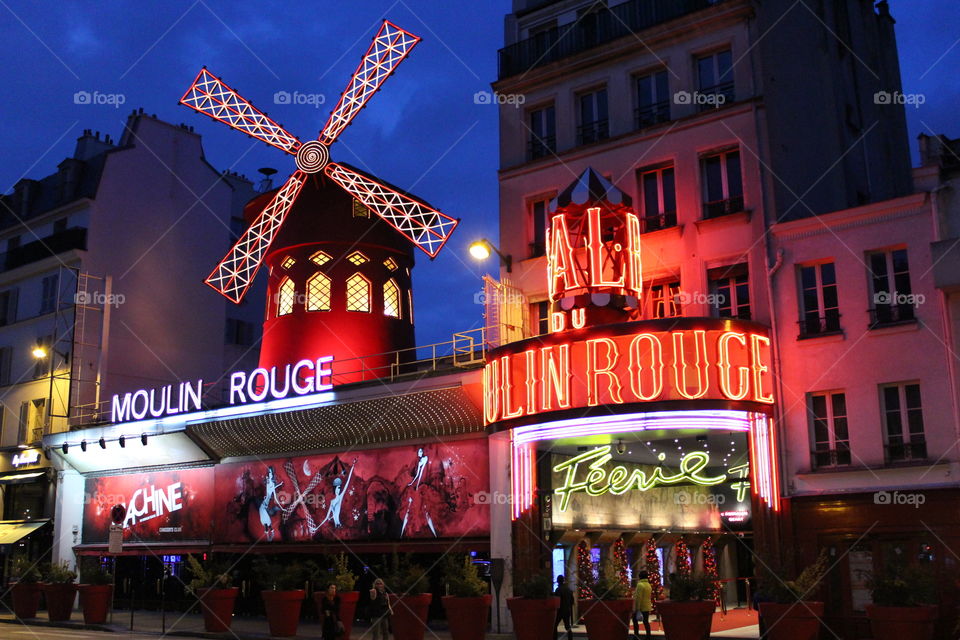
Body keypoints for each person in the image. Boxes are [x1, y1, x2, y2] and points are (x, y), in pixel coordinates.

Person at [633, 571, 653, 639]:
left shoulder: (640, 585)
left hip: (641, 607)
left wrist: (637, 609)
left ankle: (636, 635)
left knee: (635, 621)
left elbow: (639, 598)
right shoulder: (648, 585)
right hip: (647, 606)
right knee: (646, 622)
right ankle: (648, 636)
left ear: (640, 577)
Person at [554, 574, 574, 640]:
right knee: (567, 626)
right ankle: (570, 638)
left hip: (560, 611)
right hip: (567, 610)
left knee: (554, 625)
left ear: (558, 581)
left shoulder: (558, 590)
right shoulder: (568, 590)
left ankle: (554, 638)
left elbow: (556, 600)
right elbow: (572, 601)